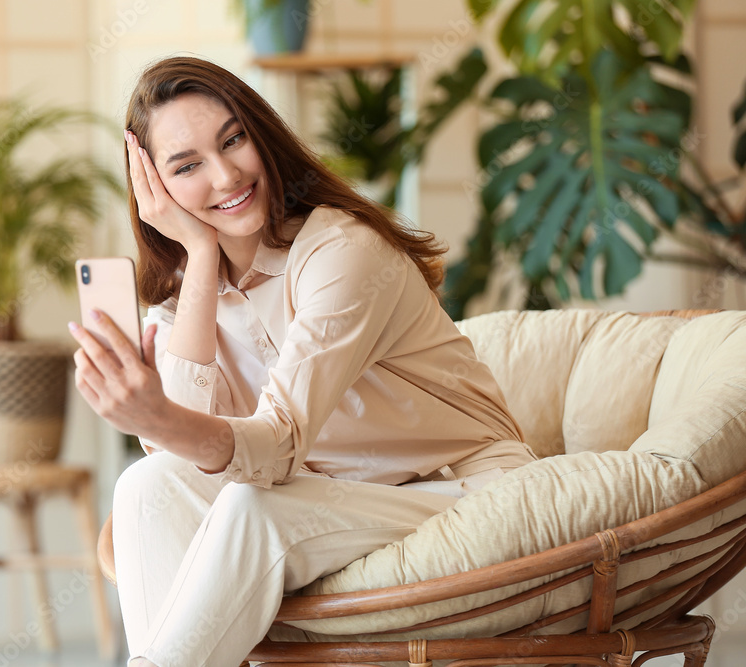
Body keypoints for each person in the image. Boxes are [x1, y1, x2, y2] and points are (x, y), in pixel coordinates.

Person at [67, 56, 535, 667]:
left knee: (256, 504)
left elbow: (279, 444)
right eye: (187, 166)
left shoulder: (341, 250)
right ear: (156, 191)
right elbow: (182, 463)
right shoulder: (188, 297)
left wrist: (155, 419)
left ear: (261, 134)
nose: (226, 174)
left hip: (455, 490)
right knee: (144, 485)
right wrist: (203, 254)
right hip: (334, 502)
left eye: (233, 140)